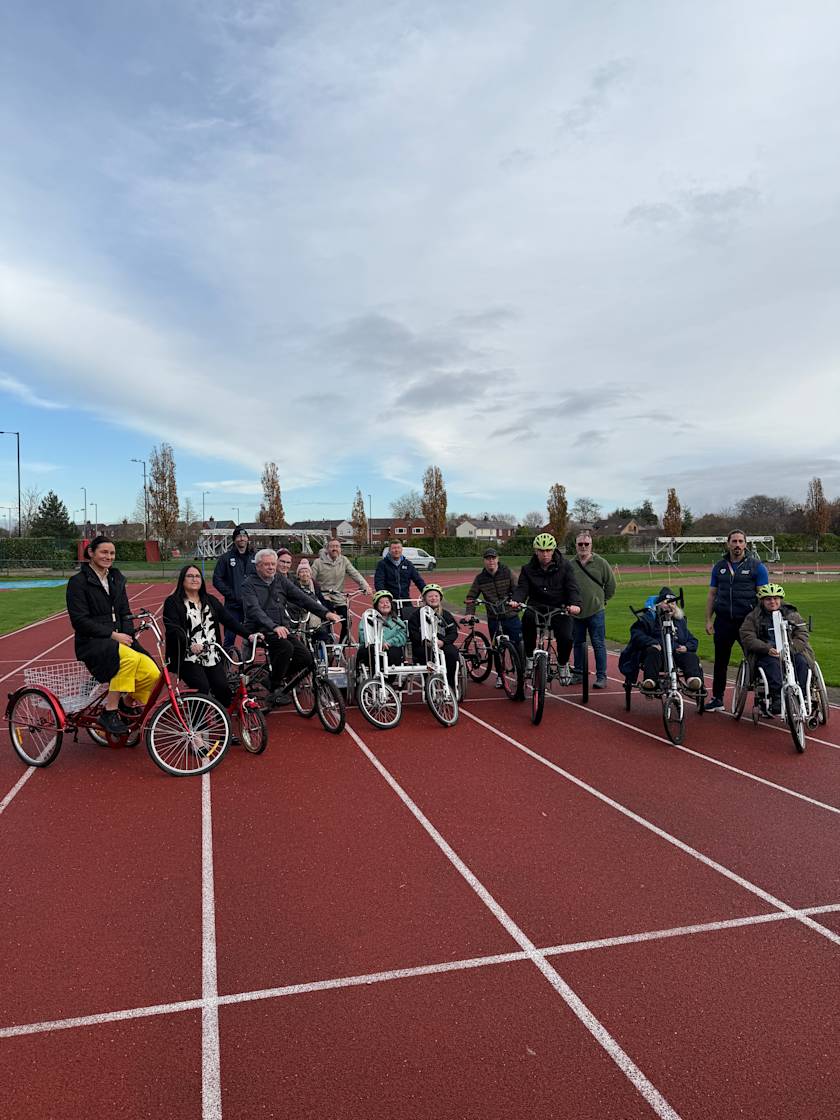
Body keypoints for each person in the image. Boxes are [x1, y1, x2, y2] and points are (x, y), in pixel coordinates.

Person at [66, 535, 160, 737]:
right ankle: (109, 712)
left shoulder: (116, 578)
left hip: (119, 639)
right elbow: (80, 621)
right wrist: (113, 635)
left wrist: (127, 635)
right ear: (91, 553)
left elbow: (125, 612)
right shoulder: (78, 582)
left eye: (112, 553)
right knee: (130, 659)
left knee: (153, 673)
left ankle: (126, 705)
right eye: (104, 552)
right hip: (92, 642)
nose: (108, 557)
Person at [242, 548, 340, 704]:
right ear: (258, 566)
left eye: (273, 564)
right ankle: (275, 687)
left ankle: (272, 678)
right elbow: (254, 610)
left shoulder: (280, 580)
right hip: (260, 629)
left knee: (306, 657)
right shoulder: (249, 585)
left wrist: (325, 613)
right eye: (266, 564)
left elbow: (301, 597)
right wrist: (273, 626)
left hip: (282, 629)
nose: (271, 567)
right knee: (285, 647)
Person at [163, 565, 257, 707]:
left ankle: (222, 721)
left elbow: (228, 620)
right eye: (190, 576)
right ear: (182, 580)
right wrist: (190, 645)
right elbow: (173, 629)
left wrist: (249, 634)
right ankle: (197, 725)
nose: (194, 579)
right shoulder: (173, 602)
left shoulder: (210, 600)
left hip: (211, 654)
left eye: (197, 576)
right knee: (202, 688)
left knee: (223, 689)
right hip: (187, 656)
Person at [704, 530, 769, 710]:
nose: (737, 545)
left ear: (746, 544)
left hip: (747, 622)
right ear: (728, 544)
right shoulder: (719, 567)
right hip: (723, 621)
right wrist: (708, 620)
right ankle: (717, 698)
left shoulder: (757, 566)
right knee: (720, 661)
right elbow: (712, 594)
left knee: (755, 659)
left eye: (741, 541)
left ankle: (762, 700)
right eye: (734, 541)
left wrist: (764, 620)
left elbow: (764, 596)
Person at [509, 533, 581, 677]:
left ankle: (562, 664)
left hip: (559, 607)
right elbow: (522, 588)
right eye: (541, 550)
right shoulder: (527, 569)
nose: (545, 554)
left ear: (553, 550)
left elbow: (572, 587)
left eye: (548, 550)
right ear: (536, 551)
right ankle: (529, 657)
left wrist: (575, 605)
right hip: (536, 606)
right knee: (527, 621)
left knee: (566, 637)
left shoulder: (565, 566)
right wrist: (516, 600)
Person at [739, 584, 814, 715]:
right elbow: (747, 636)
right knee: (772, 666)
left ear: (780, 599)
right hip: (767, 653)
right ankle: (777, 698)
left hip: (791, 651)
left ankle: (802, 695)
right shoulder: (753, 617)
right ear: (762, 600)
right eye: (768, 599)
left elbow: (802, 634)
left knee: (802, 663)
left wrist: (789, 649)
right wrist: (767, 649)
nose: (772, 601)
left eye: (775, 598)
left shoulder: (792, 615)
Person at [618, 587, 703, 692]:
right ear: (659, 604)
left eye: (673, 603)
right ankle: (650, 681)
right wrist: (652, 643)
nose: (670, 606)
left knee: (691, 656)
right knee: (652, 652)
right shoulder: (649, 619)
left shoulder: (680, 622)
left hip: (676, 655)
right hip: (657, 654)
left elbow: (693, 640)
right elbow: (636, 634)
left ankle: (692, 680)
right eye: (666, 603)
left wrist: (686, 647)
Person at [464, 548, 522, 688]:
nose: (491, 561)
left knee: (518, 645)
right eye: (488, 558)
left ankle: (522, 673)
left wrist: (515, 601)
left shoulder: (507, 572)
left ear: (498, 559)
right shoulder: (480, 578)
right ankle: (501, 677)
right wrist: (470, 613)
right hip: (494, 617)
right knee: (497, 649)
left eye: (493, 558)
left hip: (511, 615)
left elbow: (518, 589)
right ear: (484, 561)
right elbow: (471, 597)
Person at [569, 532, 616, 689]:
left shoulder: (601, 563)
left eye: (586, 544)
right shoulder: (570, 565)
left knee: (598, 643)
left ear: (591, 545)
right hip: (576, 613)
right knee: (577, 643)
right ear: (576, 545)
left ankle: (601, 676)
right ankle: (578, 674)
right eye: (580, 544)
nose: (583, 547)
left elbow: (611, 585)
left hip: (596, 612)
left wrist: (602, 601)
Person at [311, 538, 372, 643]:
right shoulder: (318, 563)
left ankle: (341, 645)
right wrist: (314, 593)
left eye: (337, 546)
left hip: (338, 596)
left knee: (347, 620)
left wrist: (365, 586)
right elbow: (311, 579)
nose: (335, 549)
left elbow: (354, 573)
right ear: (327, 549)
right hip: (324, 596)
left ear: (340, 549)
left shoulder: (343, 560)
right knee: (326, 619)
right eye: (332, 546)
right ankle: (327, 641)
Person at [212, 526, 257, 651]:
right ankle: (226, 668)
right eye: (238, 536)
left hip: (251, 606)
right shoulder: (226, 558)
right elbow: (217, 579)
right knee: (229, 638)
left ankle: (248, 666)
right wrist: (232, 595)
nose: (241, 539)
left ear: (248, 539)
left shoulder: (255, 557)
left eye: (244, 536)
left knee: (253, 638)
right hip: (233, 607)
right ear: (234, 540)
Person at [408, 583, 459, 687]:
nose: (433, 598)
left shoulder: (446, 615)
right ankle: (429, 686)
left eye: (436, 596)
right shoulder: (416, 615)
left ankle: (450, 684)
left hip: (442, 644)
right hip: (424, 646)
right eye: (430, 596)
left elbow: (453, 633)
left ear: (440, 598)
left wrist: (443, 642)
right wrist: (426, 642)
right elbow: (413, 634)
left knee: (452, 653)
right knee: (427, 655)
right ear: (424, 599)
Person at [357, 589, 408, 678]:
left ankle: (388, 684)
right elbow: (363, 635)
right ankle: (375, 680)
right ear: (376, 605)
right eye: (382, 602)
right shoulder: (368, 618)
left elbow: (403, 634)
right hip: (371, 648)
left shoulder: (396, 620)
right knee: (372, 652)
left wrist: (390, 642)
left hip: (390, 648)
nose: (385, 604)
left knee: (394, 653)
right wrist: (379, 643)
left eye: (387, 602)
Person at [374, 539, 426, 617]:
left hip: (405, 599)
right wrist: (383, 596)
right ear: (389, 550)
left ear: (401, 549)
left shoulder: (408, 564)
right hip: (390, 600)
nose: (396, 550)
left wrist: (426, 592)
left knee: (412, 619)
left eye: (398, 548)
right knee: (390, 622)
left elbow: (418, 580)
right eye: (394, 548)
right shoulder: (382, 564)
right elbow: (379, 581)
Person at [289, 558, 333, 646]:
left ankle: (325, 639)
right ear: (298, 574)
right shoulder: (294, 585)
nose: (304, 574)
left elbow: (319, 597)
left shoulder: (315, 585)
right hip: (300, 610)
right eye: (302, 572)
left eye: (307, 572)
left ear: (310, 574)